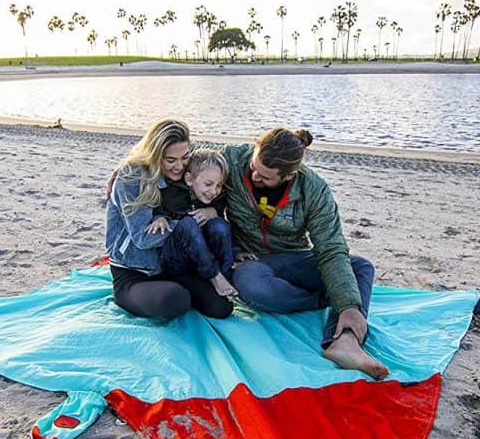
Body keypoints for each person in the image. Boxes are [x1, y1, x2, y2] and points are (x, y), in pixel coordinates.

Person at [223, 128, 388, 379]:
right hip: (251, 260)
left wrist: (349, 306)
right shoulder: (233, 159)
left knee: (361, 268)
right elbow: (190, 164)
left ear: (290, 175)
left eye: (265, 177)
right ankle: (324, 298)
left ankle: (345, 342)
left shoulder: (314, 189)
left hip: (294, 257)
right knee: (256, 289)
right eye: (254, 167)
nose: (254, 175)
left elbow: (330, 248)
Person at [105, 119, 233, 320]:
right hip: (134, 271)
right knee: (175, 300)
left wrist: (212, 211)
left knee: (221, 308)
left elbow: (211, 174)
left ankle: (200, 283)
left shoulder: (184, 168)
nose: (179, 166)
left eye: (184, 157)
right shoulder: (131, 177)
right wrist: (179, 225)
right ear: (155, 154)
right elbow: (142, 238)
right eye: (170, 160)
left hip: (170, 265)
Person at [150, 148, 238, 300]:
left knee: (220, 225)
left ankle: (225, 275)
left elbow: (221, 219)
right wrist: (160, 218)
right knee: (188, 223)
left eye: (219, 185)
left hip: (202, 260)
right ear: (190, 179)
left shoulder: (216, 198)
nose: (214, 191)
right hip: (176, 260)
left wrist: (214, 211)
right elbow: (159, 208)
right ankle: (215, 276)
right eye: (208, 184)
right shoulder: (172, 193)